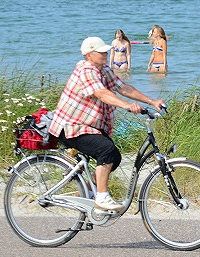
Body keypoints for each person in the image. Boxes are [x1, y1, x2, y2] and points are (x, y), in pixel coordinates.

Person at [48, 37, 165, 211]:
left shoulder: (103, 69)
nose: (106, 53)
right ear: (89, 55)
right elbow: (101, 93)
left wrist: (151, 100)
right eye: (101, 51)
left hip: (87, 126)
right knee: (106, 151)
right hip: (71, 126)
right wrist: (127, 106)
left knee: (114, 158)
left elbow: (122, 87)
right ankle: (102, 197)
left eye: (105, 50)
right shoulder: (86, 70)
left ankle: (88, 193)